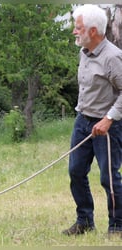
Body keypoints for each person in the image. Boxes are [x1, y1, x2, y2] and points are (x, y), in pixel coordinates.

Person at [62, 4, 122, 237]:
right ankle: (84, 220)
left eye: (78, 28)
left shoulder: (113, 58)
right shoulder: (83, 51)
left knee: (109, 178)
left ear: (93, 31)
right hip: (83, 121)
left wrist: (108, 119)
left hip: (108, 126)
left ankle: (117, 225)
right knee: (76, 171)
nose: (74, 32)